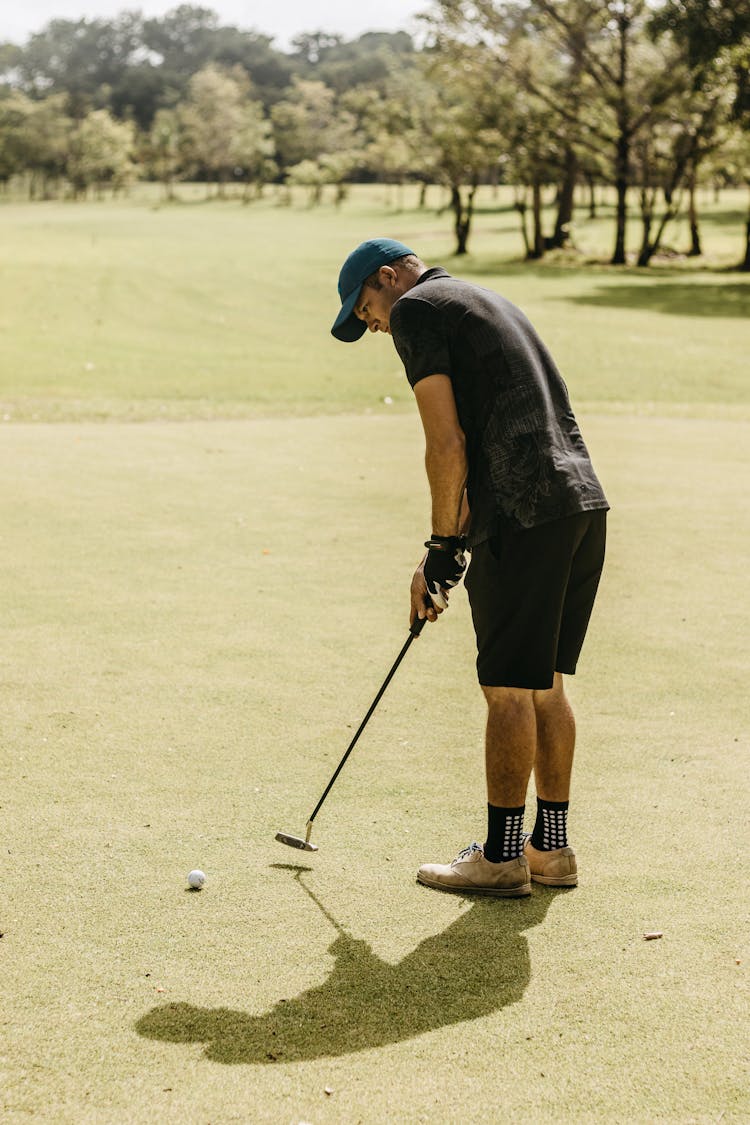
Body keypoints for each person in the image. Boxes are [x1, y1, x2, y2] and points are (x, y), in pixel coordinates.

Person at [331, 238, 609, 897]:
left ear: (389, 277)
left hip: (522, 511)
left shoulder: (417, 310)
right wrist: (456, 543)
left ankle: (502, 856)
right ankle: (551, 848)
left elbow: (446, 441)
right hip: (580, 505)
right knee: (545, 684)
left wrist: (439, 546)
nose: (372, 325)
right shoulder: (482, 299)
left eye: (366, 307)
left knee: (508, 688)